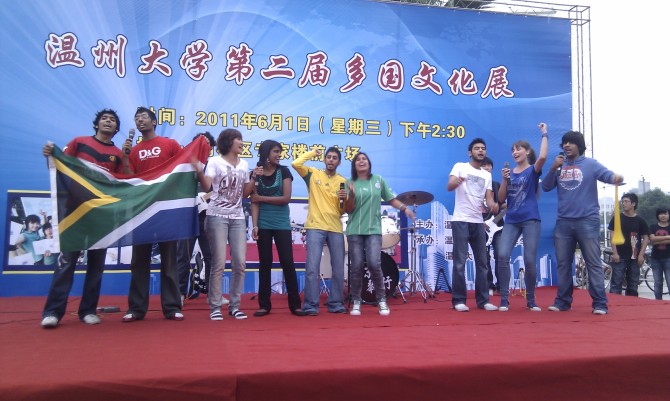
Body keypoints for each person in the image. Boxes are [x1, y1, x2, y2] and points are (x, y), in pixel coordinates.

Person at [40, 108, 129, 328]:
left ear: (116, 128)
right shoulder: (79, 142)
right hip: (74, 213)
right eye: (104, 118)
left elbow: (123, 182)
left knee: (96, 267)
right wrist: (50, 155)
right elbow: (59, 166)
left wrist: (126, 157)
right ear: (96, 124)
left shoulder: (117, 154)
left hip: (101, 217)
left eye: (112, 120)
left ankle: (88, 310)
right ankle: (52, 312)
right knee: (65, 263)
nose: (108, 121)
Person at [541, 130, 623, 315]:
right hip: (563, 222)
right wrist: (553, 168)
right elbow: (545, 187)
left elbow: (607, 175)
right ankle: (563, 302)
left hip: (587, 220)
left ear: (580, 145)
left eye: (570, 142)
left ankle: (600, 304)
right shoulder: (559, 166)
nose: (566, 145)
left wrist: (617, 178)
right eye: (564, 143)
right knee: (563, 264)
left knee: (593, 263)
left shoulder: (591, 164)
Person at [122, 106, 184, 322]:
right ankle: (136, 308)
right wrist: (125, 157)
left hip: (166, 210)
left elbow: (182, 168)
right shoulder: (134, 150)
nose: (140, 120)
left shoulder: (170, 144)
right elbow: (129, 178)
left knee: (169, 260)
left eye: (144, 117)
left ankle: (172, 307)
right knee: (139, 261)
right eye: (136, 118)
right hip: (142, 210)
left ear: (154, 121)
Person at [194, 128, 255, 321]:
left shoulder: (244, 164)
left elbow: (244, 193)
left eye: (242, 139)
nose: (241, 142)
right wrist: (199, 170)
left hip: (238, 217)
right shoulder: (215, 162)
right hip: (216, 216)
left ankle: (235, 306)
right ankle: (215, 306)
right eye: (238, 139)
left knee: (240, 262)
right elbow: (207, 187)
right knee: (219, 263)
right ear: (228, 142)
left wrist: (254, 178)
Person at [344, 151, 415, 316]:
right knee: (356, 266)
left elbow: (391, 199)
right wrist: (351, 195)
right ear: (354, 165)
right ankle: (356, 301)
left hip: (374, 230)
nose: (361, 161)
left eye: (364, 159)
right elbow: (348, 209)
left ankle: (381, 299)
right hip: (354, 230)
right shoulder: (348, 183)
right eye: (358, 160)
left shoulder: (378, 180)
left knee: (374, 264)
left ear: (369, 163)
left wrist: (404, 208)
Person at [497, 122, 549, 312]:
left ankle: (531, 300)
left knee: (529, 259)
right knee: (502, 255)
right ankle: (504, 299)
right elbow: (501, 198)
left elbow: (543, 156)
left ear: (527, 152)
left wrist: (544, 133)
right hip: (511, 220)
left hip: (530, 220)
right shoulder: (509, 173)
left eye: (518, 149)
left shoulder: (533, 170)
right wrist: (504, 180)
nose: (515, 152)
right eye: (513, 150)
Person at [292, 147, 348, 315]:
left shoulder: (342, 181)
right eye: (328, 157)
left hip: (335, 227)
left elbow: (342, 210)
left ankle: (336, 303)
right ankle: (310, 305)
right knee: (312, 267)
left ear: (339, 162)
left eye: (334, 158)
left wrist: (344, 200)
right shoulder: (312, 174)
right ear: (324, 160)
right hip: (315, 226)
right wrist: (311, 153)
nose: (331, 160)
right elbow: (296, 164)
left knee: (338, 268)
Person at [249, 140, 302, 316]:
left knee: (287, 262)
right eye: (276, 152)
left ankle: (295, 305)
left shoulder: (284, 171)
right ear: (266, 154)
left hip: (281, 223)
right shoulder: (256, 173)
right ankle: (264, 305)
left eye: (280, 152)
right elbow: (253, 201)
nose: (279, 155)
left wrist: (261, 198)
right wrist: (255, 225)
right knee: (265, 262)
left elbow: (286, 198)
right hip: (263, 223)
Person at [447, 138, 499, 312]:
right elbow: (449, 185)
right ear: (470, 152)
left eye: (483, 148)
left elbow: (489, 199)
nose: (480, 151)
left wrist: (493, 205)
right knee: (460, 262)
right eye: (477, 148)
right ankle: (459, 300)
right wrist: (458, 181)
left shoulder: (487, 175)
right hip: (461, 219)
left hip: (478, 222)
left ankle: (483, 300)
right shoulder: (460, 166)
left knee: (482, 264)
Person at [176, 132, 219, 303]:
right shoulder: (182, 164)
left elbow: (218, 190)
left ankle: (212, 294)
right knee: (183, 255)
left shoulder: (214, 166)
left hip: (207, 215)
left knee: (211, 255)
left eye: (207, 143)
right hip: (186, 215)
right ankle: (179, 293)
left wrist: (204, 197)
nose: (203, 145)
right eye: (200, 142)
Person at [607, 192, 650, 297]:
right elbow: (612, 236)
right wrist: (615, 253)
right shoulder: (617, 218)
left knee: (633, 284)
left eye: (626, 201)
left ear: (633, 204)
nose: (624, 204)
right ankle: (614, 303)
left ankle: (632, 304)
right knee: (616, 282)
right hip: (620, 255)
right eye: (623, 201)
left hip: (635, 256)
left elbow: (646, 238)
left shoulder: (640, 220)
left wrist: (641, 255)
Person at [480, 157, 505, 295]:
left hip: (498, 226)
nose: (488, 168)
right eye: (484, 165)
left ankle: (501, 286)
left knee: (501, 255)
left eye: (490, 165)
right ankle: (488, 285)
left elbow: (502, 204)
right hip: (479, 225)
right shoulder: (475, 186)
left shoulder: (496, 185)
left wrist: (510, 205)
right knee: (484, 258)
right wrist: (480, 222)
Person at [649, 207, 670, 300]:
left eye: (665, 213)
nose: (663, 216)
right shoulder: (653, 227)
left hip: (668, 258)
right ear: (657, 215)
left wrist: (657, 240)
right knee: (657, 283)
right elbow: (652, 240)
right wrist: (668, 237)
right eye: (661, 214)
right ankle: (658, 302)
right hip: (655, 258)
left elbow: (655, 240)